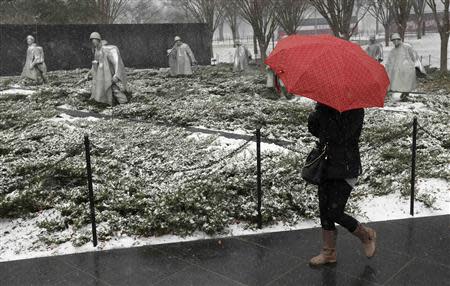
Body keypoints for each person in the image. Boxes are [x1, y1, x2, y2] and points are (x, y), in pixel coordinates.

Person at [307, 103, 376, 267]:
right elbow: (317, 132)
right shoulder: (323, 105)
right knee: (324, 210)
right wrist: (314, 117)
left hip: (346, 166)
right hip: (326, 165)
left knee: (334, 211)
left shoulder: (356, 108)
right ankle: (328, 253)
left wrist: (326, 116)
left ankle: (365, 235)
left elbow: (341, 136)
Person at [83, 32, 128, 105]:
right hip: (100, 74)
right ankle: (108, 102)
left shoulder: (107, 49)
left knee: (112, 87)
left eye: (94, 40)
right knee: (102, 89)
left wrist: (116, 74)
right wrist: (88, 74)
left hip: (107, 73)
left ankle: (123, 101)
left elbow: (116, 61)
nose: (93, 42)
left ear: (98, 39)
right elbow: (95, 63)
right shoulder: (96, 50)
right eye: (91, 40)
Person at [385, 33, 418, 101]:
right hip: (397, 70)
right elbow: (390, 60)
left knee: (407, 83)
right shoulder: (393, 51)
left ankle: (405, 94)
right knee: (398, 83)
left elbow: (413, 56)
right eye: (393, 40)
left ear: (400, 39)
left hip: (407, 69)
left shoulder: (407, 47)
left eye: (397, 40)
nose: (395, 41)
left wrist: (411, 64)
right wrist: (388, 67)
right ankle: (402, 94)